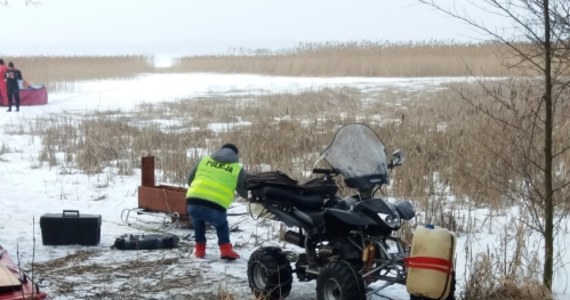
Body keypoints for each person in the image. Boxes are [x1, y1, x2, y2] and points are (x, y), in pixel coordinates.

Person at [186, 143, 248, 260]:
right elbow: (244, 193)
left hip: (193, 202)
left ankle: (200, 249)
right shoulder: (237, 168)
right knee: (221, 224)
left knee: (197, 219)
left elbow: (189, 180)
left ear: (220, 150)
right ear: (235, 155)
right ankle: (225, 249)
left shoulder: (203, 160)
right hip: (215, 207)